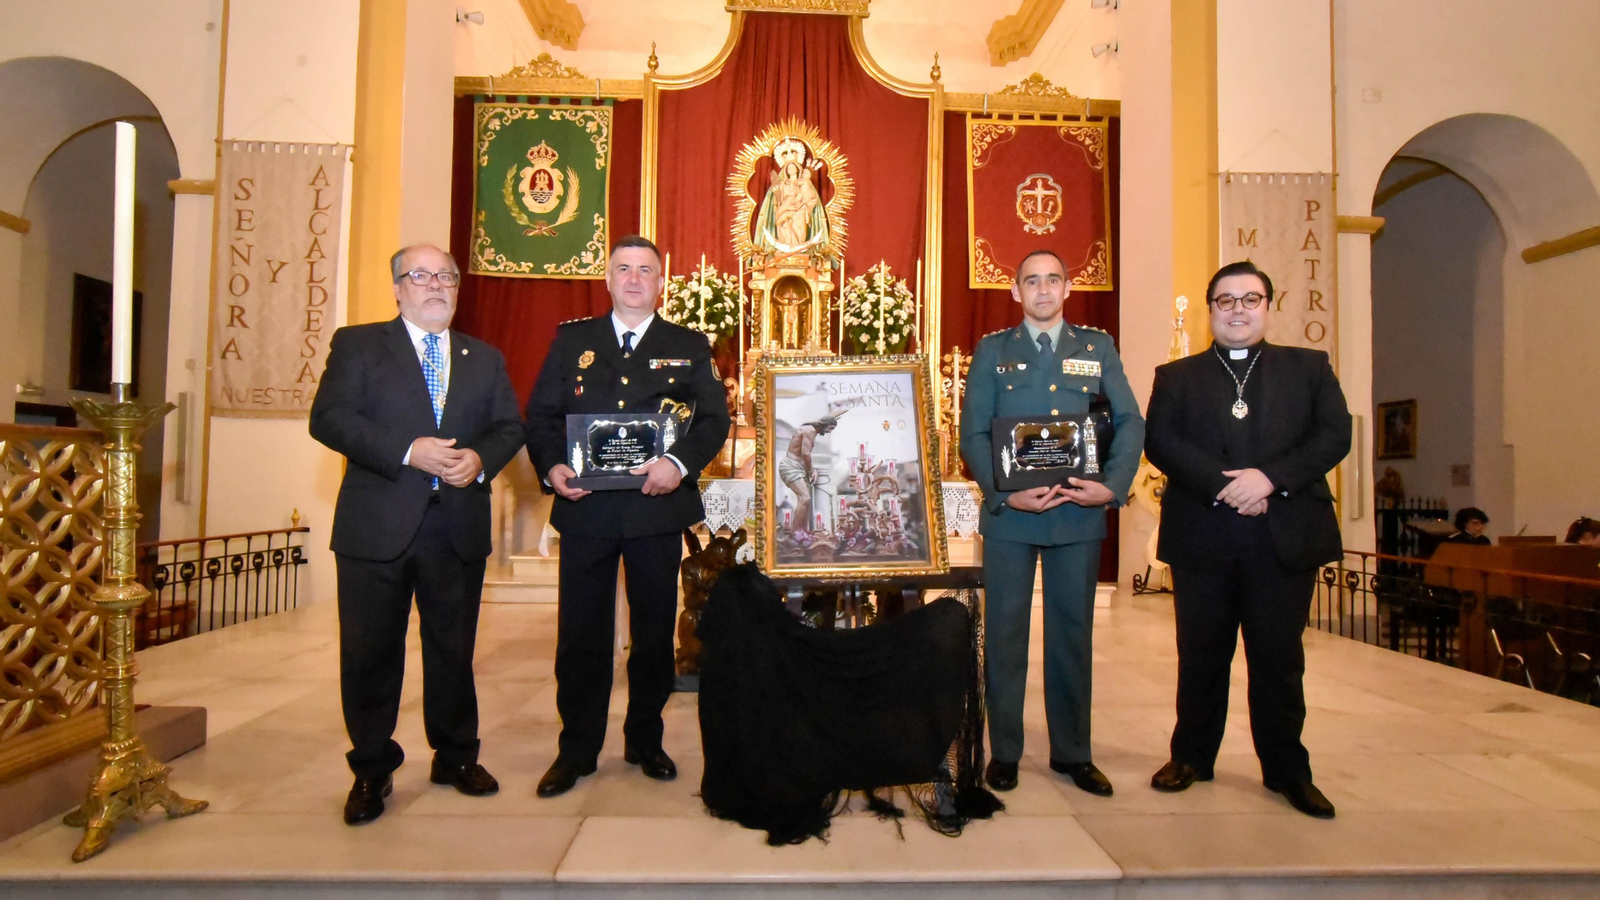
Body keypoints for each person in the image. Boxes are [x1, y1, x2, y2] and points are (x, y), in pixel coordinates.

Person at [308, 244, 524, 825]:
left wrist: (480, 459)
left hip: (455, 528)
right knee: (370, 654)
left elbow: (509, 426)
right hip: (376, 527)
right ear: (398, 288)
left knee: (453, 651)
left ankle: (455, 756)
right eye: (421, 275)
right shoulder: (358, 345)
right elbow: (329, 418)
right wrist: (408, 451)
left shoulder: (484, 357)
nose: (435, 285)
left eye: (446, 277)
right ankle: (371, 769)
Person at [524, 235, 732, 798]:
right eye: (624, 268)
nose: (634, 278)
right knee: (581, 636)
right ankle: (577, 748)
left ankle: (645, 738)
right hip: (586, 508)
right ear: (608, 279)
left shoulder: (688, 344)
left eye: (645, 270)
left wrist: (677, 463)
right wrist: (551, 466)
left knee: (652, 634)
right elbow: (541, 415)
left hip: (653, 509)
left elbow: (714, 419)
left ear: (661, 282)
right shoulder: (573, 341)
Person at [1143, 260, 1351, 819]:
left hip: (1282, 533)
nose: (1238, 310)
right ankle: (1191, 756)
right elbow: (1161, 441)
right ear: (1211, 309)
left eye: (1250, 299)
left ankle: (1287, 771)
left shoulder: (1308, 367)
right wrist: (1226, 486)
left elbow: (1334, 435)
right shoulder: (1177, 376)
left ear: (1268, 306)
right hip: (1204, 533)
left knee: (1279, 659)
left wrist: (1269, 480)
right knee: (1200, 654)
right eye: (1226, 300)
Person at [960, 249, 1145, 797]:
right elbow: (974, 433)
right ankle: (1006, 751)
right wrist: (1003, 494)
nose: (1043, 289)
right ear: (1015, 291)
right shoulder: (994, 351)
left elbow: (1130, 420)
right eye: (1031, 280)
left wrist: (1111, 485)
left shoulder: (1096, 347)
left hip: (1075, 515)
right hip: (1012, 520)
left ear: (1067, 288)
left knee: (1071, 635)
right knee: (1005, 636)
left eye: (1053, 280)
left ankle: (1072, 753)